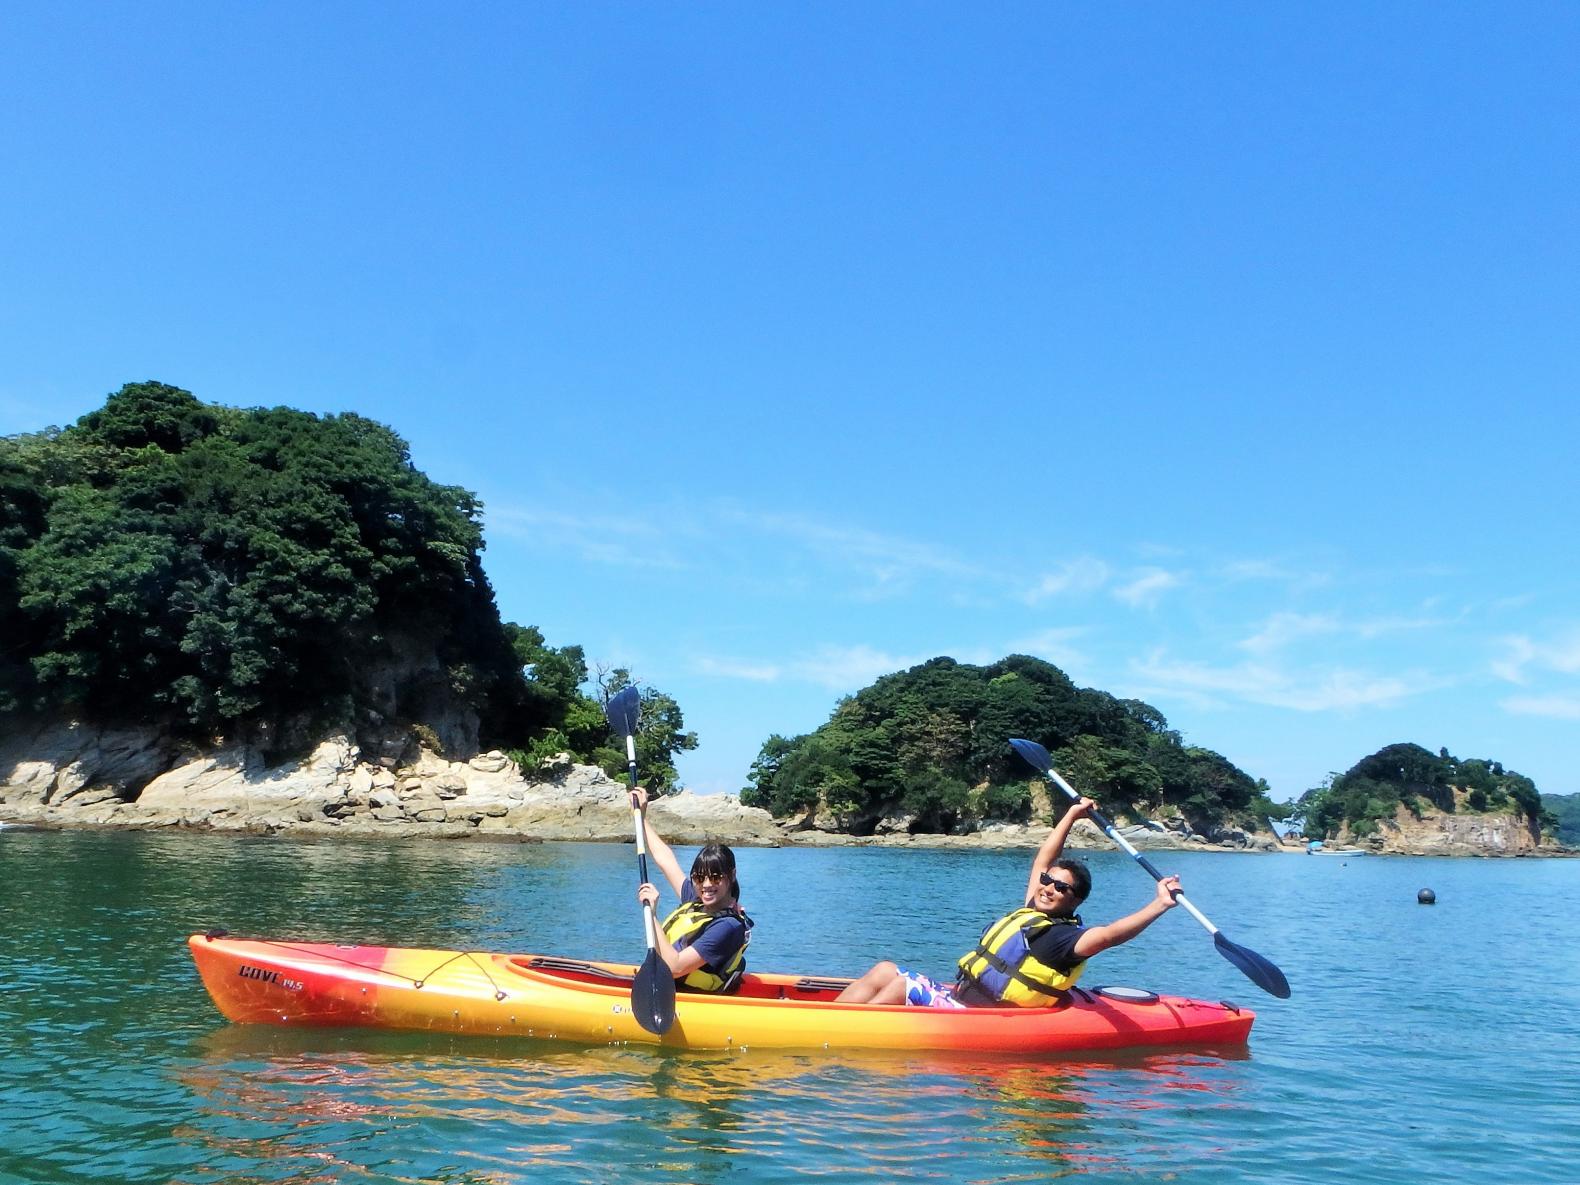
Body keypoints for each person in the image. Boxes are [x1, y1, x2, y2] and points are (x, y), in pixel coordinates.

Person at [834, 796, 1181, 1008]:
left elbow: (1111, 935)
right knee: (884, 968)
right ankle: (832, 1017)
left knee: (900, 985)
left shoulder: (1064, 940)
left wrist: (1160, 904)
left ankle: (844, 1031)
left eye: (1060, 888)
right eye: (1047, 882)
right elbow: (1043, 860)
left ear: (1074, 900)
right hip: (959, 998)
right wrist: (1071, 816)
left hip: (980, 1015)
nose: (1047, 887)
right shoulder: (1035, 911)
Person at [631, 786, 753, 994]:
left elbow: (676, 967)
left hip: (691, 997)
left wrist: (651, 914)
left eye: (715, 877)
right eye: (699, 877)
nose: (706, 885)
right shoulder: (698, 901)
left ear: (731, 876)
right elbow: (666, 860)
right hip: (665, 986)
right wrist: (641, 817)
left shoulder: (727, 926)